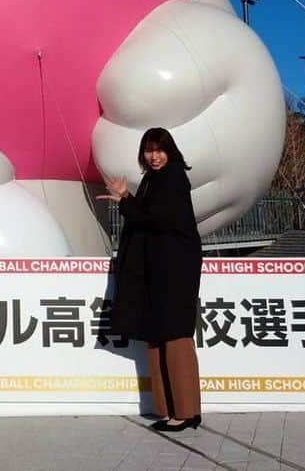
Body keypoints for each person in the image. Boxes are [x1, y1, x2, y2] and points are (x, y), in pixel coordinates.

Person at [99, 127, 202, 432]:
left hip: (173, 269)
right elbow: (147, 214)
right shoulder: (154, 179)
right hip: (160, 268)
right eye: (148, 150)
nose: (154, 156)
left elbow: (157, 219)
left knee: (173, 335)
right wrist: (127, 197)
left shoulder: (171, 177)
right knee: (159, 335)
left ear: (170, 151)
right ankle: (173, 410)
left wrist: (125, 202)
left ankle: (183, 412)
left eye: (159, 149)